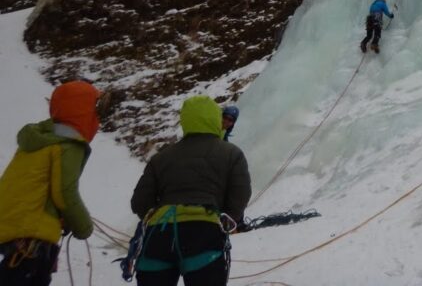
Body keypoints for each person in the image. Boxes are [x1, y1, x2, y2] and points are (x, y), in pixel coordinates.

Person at [130, 95, 251, 286]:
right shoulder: (231, 153)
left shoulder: (162, 157)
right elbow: (240, 194)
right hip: (203, 232)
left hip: (160, 234)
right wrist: (226, 218)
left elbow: (140, 201)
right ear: (215, 118)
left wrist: (156, 216)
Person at [0, 80, 102, 286]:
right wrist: (83, 227)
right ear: (84, 112)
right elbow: (64, 191)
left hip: (12, 227)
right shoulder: (68, 145)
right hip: (33, 234)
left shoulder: (37, 142)